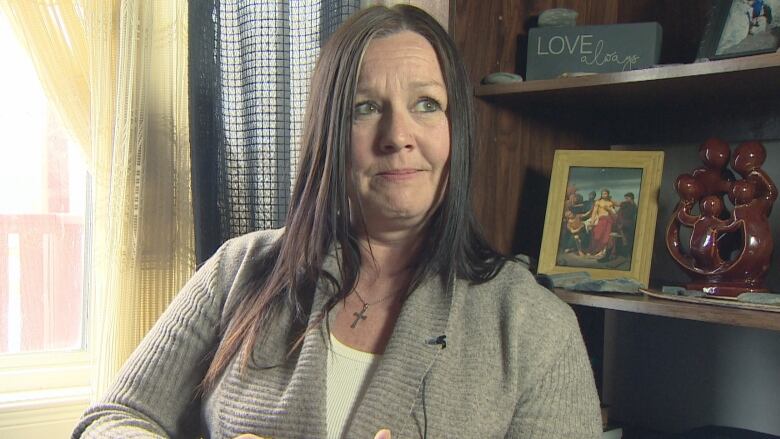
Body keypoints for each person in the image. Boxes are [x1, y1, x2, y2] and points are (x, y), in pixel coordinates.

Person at [73, 5, 601, 439]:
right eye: (365, 107)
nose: (398, 134)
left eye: (426, 104)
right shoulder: (235, 272)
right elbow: (111, 420)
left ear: (455, 132)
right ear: (328, 135)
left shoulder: (536, 327)